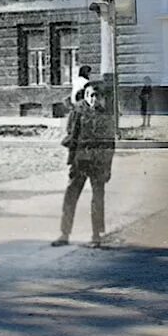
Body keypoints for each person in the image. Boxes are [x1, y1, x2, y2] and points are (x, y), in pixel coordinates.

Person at [53, 82, 116, 248]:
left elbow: (110, 144)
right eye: (90, 95)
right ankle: (64, 234)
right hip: (80, 162)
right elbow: (71, 136)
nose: (94, 99)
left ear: (102, 98)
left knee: (97, 199)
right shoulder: (77, 112)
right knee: (70, 197)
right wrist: (71, 159)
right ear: (85, 96)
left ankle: (96, 235)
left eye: (97, 95)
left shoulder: (106, 116)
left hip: (98, 164)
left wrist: (108, 167)